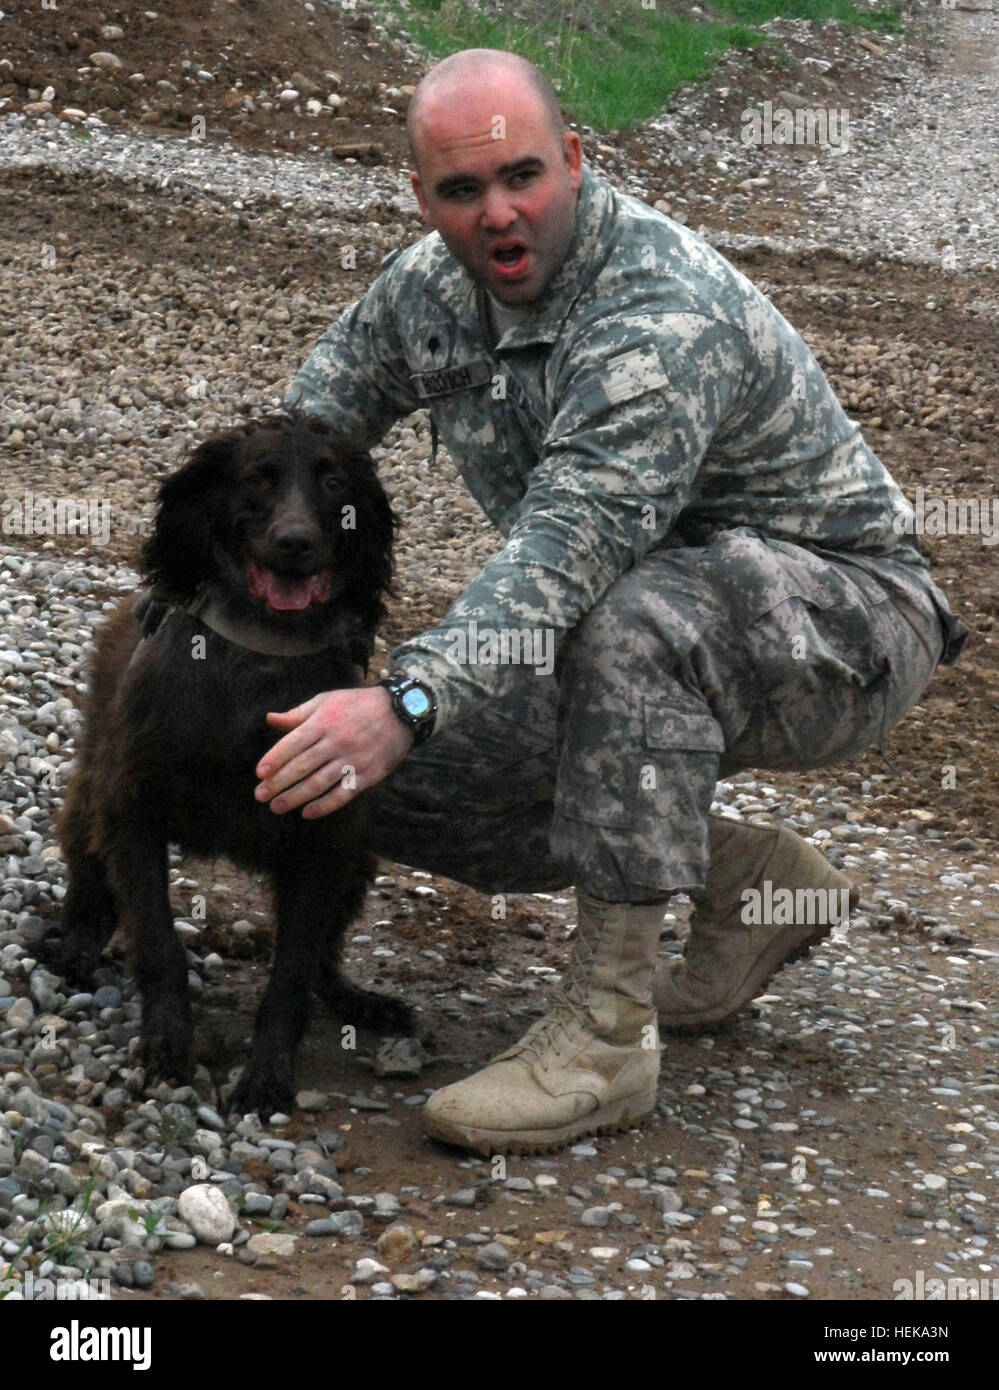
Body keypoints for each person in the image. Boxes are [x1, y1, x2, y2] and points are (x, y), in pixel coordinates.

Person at [254, 47, 967, 1156]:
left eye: (525, 175)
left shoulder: (655, 310)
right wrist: (207, 620)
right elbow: (296, 441)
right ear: (423, 198)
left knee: (620, 621)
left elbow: (566, 553)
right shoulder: (427, 296)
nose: (500, 213)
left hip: (847, 621)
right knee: (361, 784)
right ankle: (753, 883)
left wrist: (404, 696)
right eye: (462, 190)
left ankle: (606, 1040)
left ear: (577, 160)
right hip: (624, 627)